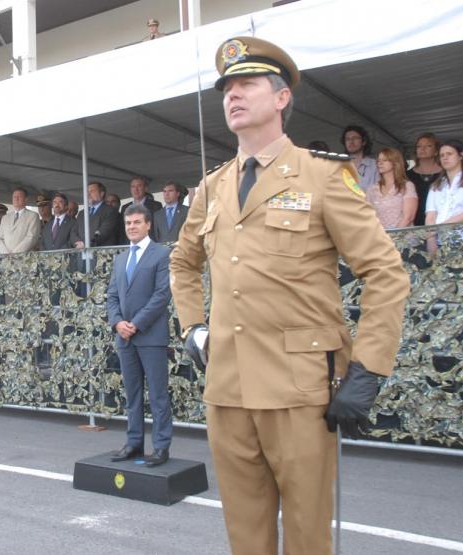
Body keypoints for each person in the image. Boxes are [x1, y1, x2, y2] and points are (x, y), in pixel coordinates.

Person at [169, 37, 410, 554]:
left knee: (306, 533)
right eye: (227, 88)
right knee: (245, 534)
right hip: (228, 386)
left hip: (299, 388)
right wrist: (193, 327)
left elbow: (386, 272)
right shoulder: (212, 187)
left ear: (281, 98)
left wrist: (368, 369)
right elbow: (183, 262)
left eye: (247, 84)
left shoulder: (323, 176)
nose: (233, 95)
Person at [107, 205, 173, 466]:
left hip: (151, 336)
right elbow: (112, 296)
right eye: (128, 223)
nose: (131, 227)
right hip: (125, 337)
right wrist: (117, 323)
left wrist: (135, 324)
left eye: (136, 222)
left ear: (148, 225)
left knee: (158, 395)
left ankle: (161, 447)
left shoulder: (162, 254)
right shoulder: (120, 259)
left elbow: (162, 295)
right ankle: (134, 443)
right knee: (132, 394)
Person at [425, 139, 463, 227]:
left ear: (461, 156)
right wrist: (432, 235)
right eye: (442, 155)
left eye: (449, 154)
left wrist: (441, 227)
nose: (445, 158)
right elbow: (430, 216)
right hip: (439, 234)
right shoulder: (435, 186)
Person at [366, 148, 418, 229]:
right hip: (379, 235)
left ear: (395, 163)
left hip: (403, 235)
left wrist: (393, 235)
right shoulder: (372, 189)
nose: (380, 163)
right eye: (378, 160)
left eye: (385, 160)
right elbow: (368, 216)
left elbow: (408, 218)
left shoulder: (407, 186)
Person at [407, 133, 443, 226]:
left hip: (439, 222)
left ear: (436, 151)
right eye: (419, 146)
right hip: (414, 222)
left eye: (428, 146)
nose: (422, 149)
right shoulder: (407, 175)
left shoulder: (445, 174)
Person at [74, 181, 119, 248]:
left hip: (101, 252)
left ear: (101, 194)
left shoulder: (110, 211)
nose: (88, 194)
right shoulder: (81, 213)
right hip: (81, 252)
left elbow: (103, 232)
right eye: (87, 192)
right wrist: (77, 241)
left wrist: (85, 243)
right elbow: (74, 232)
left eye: (92, 191)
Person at [0, 187, 42, 254]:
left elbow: (31, 237)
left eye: (19, 197)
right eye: (14, 197)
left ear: (26, 200)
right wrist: (5, 253)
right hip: (6, 256)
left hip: (24, 256)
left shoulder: (33, 216)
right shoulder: (5, 218)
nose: (16, 199)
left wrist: (14, 254)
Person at [341, 124, 379, 192]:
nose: (351, 141)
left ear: (364, 142)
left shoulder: (375, 165)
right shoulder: (339, 165)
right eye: (347, 139)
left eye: (355, 138)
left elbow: (380, 192)